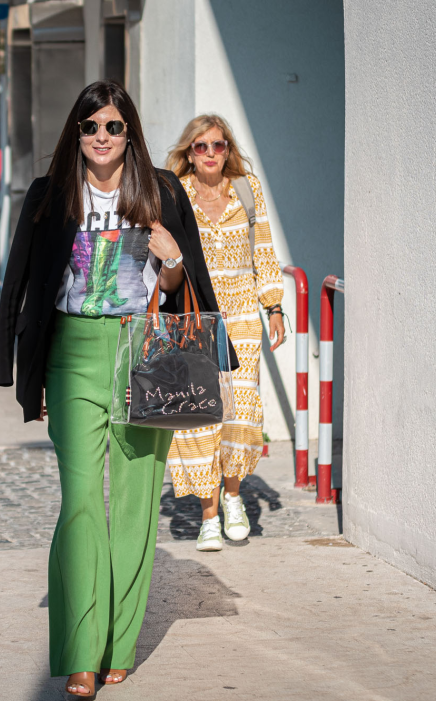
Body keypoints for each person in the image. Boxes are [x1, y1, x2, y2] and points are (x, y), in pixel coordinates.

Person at [0, 81, 233, 700]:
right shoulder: (51, 194)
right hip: (72, 354)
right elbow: (23, 282)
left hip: (142, 353)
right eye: (91, 126)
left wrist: (172, 258)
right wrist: (26, 373)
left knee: (134, 505)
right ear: (76, 133)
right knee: (79, 502)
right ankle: (80, 652)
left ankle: (118, 645)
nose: (102, 136)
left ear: (131, 132)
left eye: (114, 126)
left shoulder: (161, 190)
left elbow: (185, 285)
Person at [164, 115, 286, 551]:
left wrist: (274, 306)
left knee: (240, 410)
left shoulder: (247, 190)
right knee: (199, 411)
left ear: (228, 149)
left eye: (218, 145)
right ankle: (208, 516)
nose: (211, 153)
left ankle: (233, 497)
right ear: (190, 152)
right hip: (195, 316)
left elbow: (264, 250)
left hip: (242, 317)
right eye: (201, 146)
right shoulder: (175, 193)